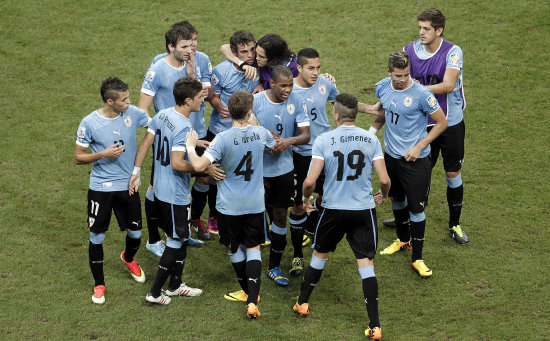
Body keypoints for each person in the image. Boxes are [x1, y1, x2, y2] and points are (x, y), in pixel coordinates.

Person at [293, 93, 390, 341]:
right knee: (366, 265)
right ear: (355, 115)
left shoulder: (324, 140)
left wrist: (306, 201)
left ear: (335, 115)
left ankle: (302, 302)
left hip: (333, 210)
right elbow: (385, 180)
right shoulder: (370, 139)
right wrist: (383, 194)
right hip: (362, 210)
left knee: (319, 255)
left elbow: (310, 181)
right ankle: (375, 325)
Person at [185, 91, 276, 319]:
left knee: (233, 248)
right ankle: (253, 301)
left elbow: (197, 166)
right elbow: (273, 144)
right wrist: (253, 120)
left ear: (229, 113)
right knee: (253, 248)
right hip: (255, 204)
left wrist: (189, 146)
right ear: (249, 111)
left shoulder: (222, 139)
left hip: (229, 206)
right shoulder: (260, 133)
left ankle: (246, 292)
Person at [131, 77, 208, 305]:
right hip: (175, 193)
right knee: (176, 240)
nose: (202, 101)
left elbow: (146, 143)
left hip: (157, 188)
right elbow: (177, 163)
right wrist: (204, 168)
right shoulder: (184, 125)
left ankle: (175, 285)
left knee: (181, 237)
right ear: (187, 100)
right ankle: (155, 293)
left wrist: (136, 171)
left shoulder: (163, 114)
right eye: (199, 98)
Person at [370, 51, 447, 278]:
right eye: (398, 75)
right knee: (396, 198)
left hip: (416, 161)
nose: (402, 79)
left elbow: (442, 123)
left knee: (416, 208)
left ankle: (418, 259)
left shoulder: (422, 94)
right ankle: (403, 241)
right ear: (389, 73)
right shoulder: (382, 87)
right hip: (391, 157)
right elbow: (383, 111)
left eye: (406, 75)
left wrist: (419, 147)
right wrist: (370, 134)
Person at [74, 77, 150, 304]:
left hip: (128, 185)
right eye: (124, 100)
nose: (129, 102)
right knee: (97, 236)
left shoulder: (133, 114)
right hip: (101, 188)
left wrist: (137, 170)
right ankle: (99, 285)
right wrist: (103, 154)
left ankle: (128, 257)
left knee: (136, 233)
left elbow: (155, 128)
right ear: (110, 101)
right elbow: (78, 157)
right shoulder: (89, 123)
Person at [139, 24, 210, 252]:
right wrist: (162, 134)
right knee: (155, 187)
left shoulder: (195, 62)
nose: (191, 49)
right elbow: (143, 110)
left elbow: (200, 96)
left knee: (187, 185)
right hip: (171, 139)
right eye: (185, 46)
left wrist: (191, 74)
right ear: (171, 47)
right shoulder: (158, 69)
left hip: (194, 135)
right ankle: (152, 240)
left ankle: (182, 231)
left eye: (192, 44)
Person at [406, 8, 468, 244]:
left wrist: (415, 89)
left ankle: (455, 224)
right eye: (420, 27)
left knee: (452, 173)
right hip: (423, 123)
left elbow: (449, 85)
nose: (421, 32)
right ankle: (412, 217)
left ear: (439, 30)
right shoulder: (409, 50)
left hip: (450, 123)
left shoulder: (452, 52)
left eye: (427, 29)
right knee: (419, 172)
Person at [251, 65, 310, 287]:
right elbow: (243, 128)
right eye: (283, 85)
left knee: (280, 216)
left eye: (291, 85)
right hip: (258, 171)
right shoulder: (256, 102)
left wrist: (287, 141)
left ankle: (273, 266)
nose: (288, 90)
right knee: (256, 217)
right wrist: (266, 140)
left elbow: (305, 135)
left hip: (283, 171)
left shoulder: (296, 101)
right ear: (272, 83)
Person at [287, 48, 339, 277]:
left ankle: (316, 231)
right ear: (298, 68)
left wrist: (372, 109)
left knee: (328, 198)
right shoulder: (288, 90)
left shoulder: (325, 85)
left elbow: (341, 104)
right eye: (311, 68)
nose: (316, 72)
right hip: (301, 155)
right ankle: (297, 255)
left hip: (326, 153)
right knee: (298, 206)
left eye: (318, 68)